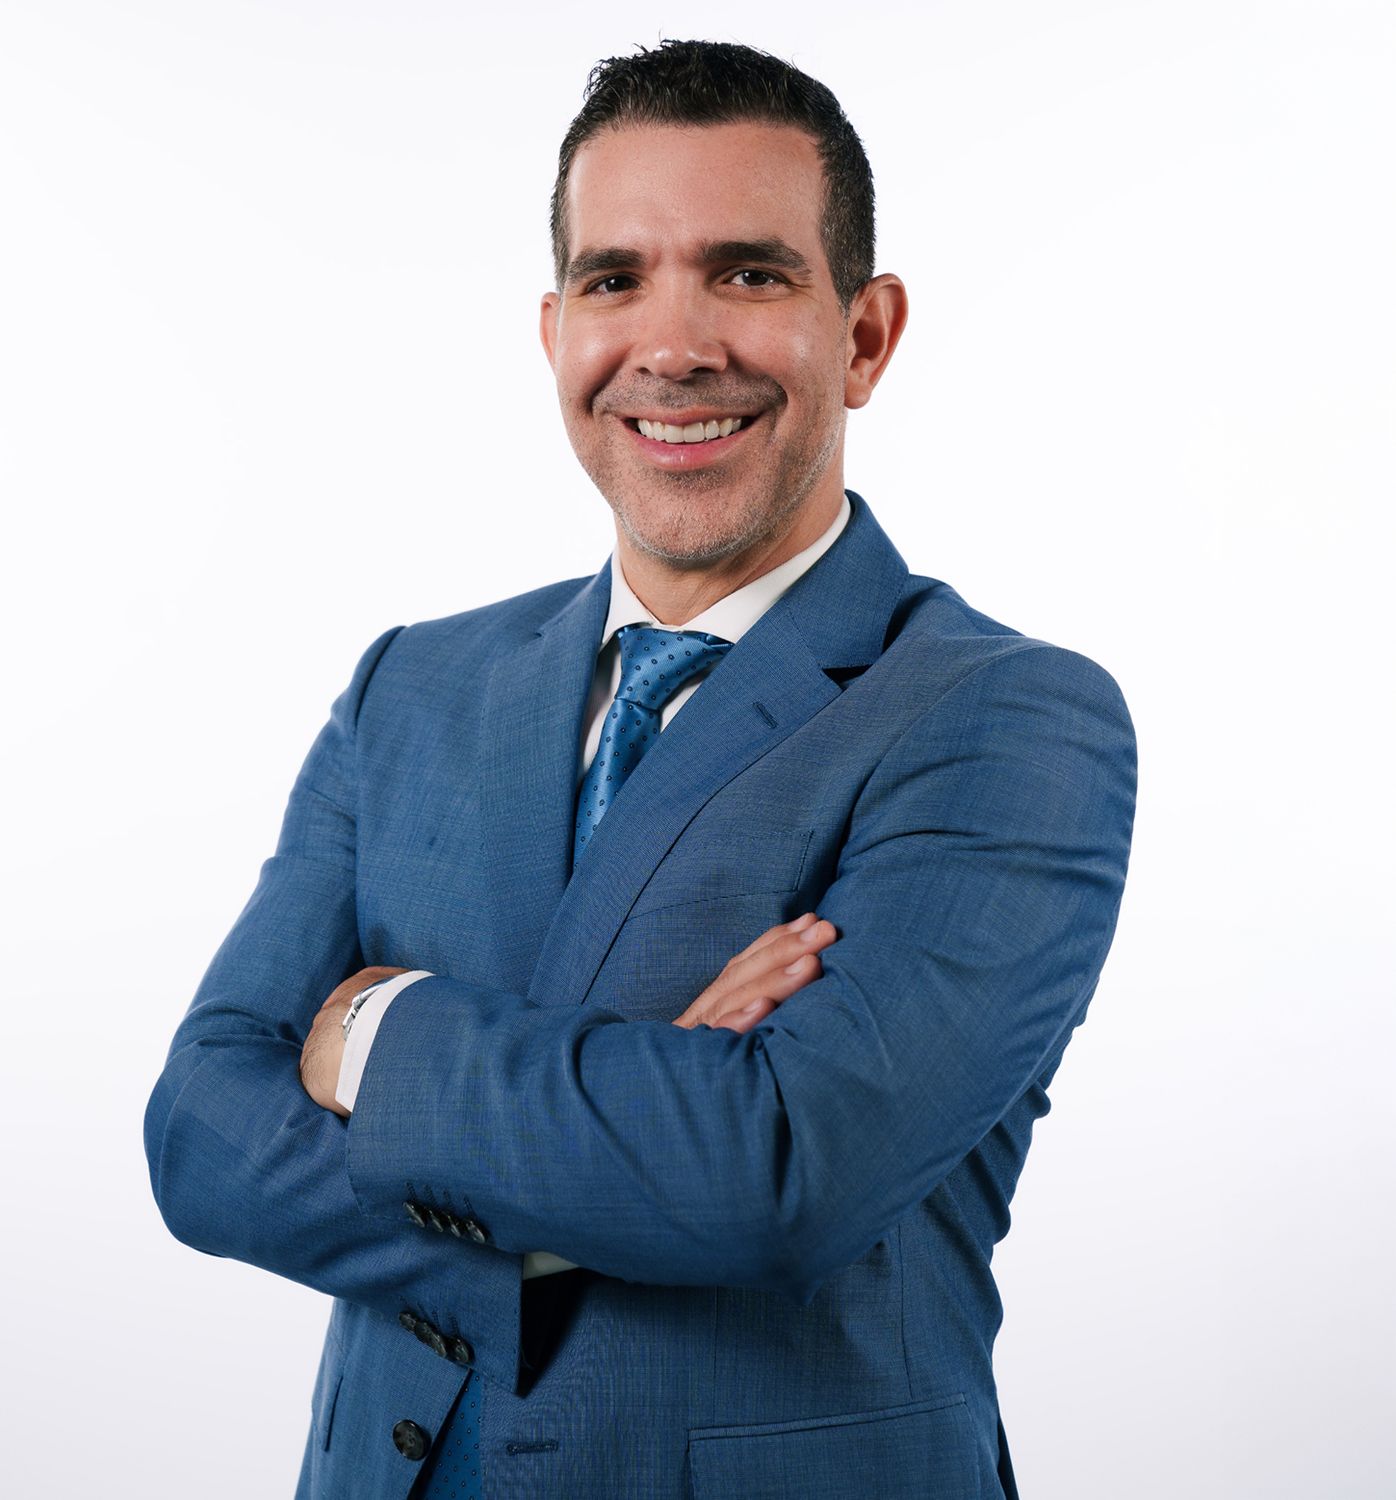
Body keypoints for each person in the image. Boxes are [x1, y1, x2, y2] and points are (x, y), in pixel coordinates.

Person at [144, 39, 1136, 1500]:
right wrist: (630, 1149)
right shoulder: (411, 687)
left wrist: (373, 1035)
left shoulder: (1004, 720)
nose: (673, 345)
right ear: (556, 332)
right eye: (617, 279)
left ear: (864, 336)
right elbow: (201, 1134)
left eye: (745, 273)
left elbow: (778, 1175)